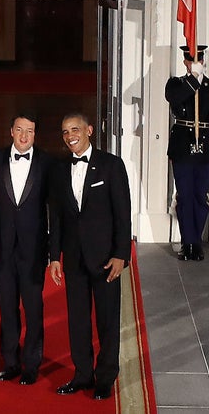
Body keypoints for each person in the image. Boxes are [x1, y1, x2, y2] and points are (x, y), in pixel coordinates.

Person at [49, 112, 131, 401]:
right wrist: (54, 256)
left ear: (89, 130)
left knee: (107, 321)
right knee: (78, 320)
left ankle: (105, 377)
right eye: (65, 131)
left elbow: (123, 215)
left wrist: (122, 255)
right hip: (73, 258)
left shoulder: (111, 165)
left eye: (75, 129)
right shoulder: (60, 169)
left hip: (106, 258)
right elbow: (56, 216)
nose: (70, 135)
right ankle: (82, 373)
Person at [0, 112, 52, 385]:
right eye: (20, 130)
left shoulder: (48, 163)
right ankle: (11, 362)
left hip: (34, 248)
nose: (25, 136)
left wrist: (53, 250)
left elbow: (54, 210)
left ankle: (32, 364)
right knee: (6, 307)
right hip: (2, 248)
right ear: (11, 131)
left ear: (35, 134)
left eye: (30, 131)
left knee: (34, 308)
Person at [165, 45, 209, 261]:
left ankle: (197, 243)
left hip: (205, 148)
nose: (195, 63)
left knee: (200, 196)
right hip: (182, 146)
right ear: (185, 62)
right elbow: (176, 99)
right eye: (191, 60)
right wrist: (193, 78)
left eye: (199, 60)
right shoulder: (175, 84)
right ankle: (188, 243)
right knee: (185, 196)